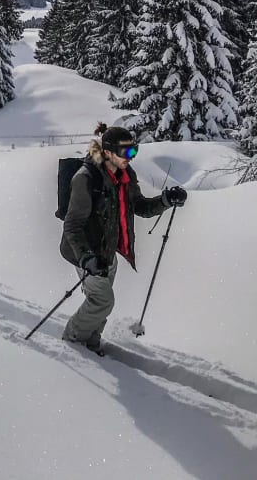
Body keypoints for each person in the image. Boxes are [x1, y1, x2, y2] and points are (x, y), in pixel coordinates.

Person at [60, 122, 187, 352]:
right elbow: (72, 225)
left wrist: (166, 201)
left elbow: (139, 206)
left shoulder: (126, 175)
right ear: (107, 152)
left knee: (100, 305)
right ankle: (72, 343)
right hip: (86, 252)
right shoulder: (86, 178)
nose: (130, 157)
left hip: (108, 253)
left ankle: (91, 344)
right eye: (125, 152)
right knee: (102, 301)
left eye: (134, 151)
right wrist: (86, 257)